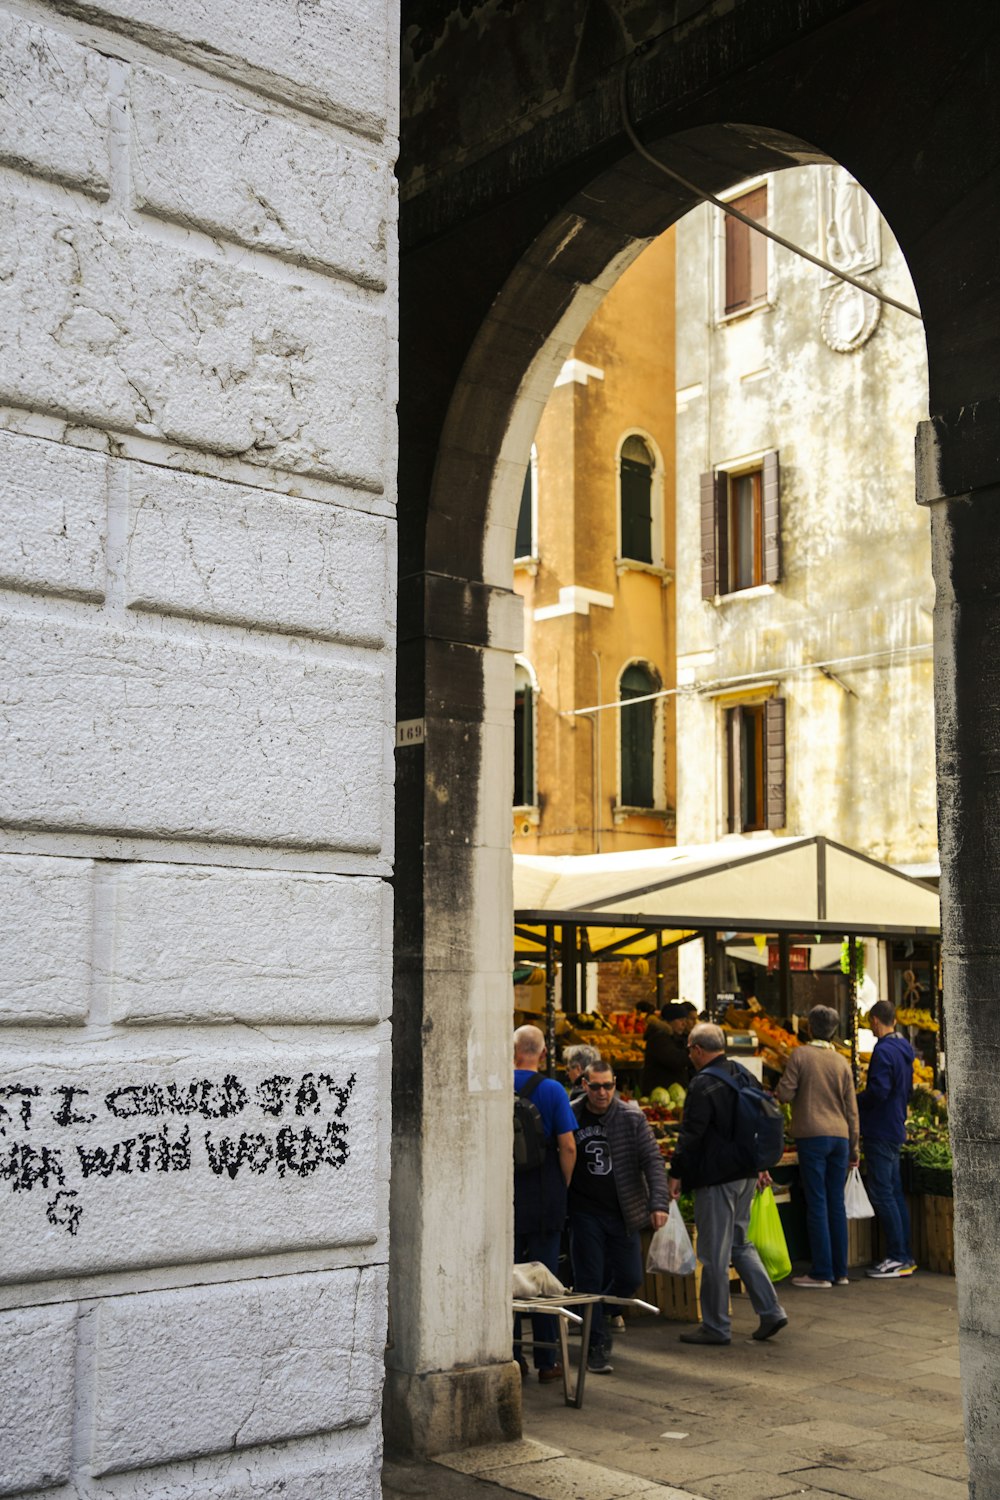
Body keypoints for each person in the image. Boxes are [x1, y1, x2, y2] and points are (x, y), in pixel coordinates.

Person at [668, 1023, 788, 1346]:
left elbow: (691, 1135)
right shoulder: (742, 1073)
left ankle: (716, 1326)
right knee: (739, 1243)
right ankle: (771, 1310)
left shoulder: (702, 1084)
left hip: (717, 1177)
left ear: (696, 1049)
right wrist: (760, 1165)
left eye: (690, 1049)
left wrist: (676, 1173)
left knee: (714, 1254)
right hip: (747, 1173)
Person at [568, 1059, 669, 1375]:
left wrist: (659, 1203)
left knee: (630, 1278)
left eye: (608, 1086)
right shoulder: (572, 1113)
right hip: (584, 1210)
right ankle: (596, 1345)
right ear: (585, 1084)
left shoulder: (630, 1117)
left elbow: (652, 1160)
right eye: (595, 1086)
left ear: (615, 1085)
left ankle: (596, 1312)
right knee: (589, 1278)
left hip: (623, 1210)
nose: (601, 1092)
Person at [775, 1005, 860, 1288]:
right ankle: (841, 1271)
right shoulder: (841, 1062)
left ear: (809, 1027)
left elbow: (784, 1093)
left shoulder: (800, 1055)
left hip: (812, 1136)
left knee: (817, 1202)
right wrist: (855, 1147)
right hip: (840, 1137)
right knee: (835, 1202)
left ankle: (821, 1272)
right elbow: (852, 1109)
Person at [513, 1025, 578, 1381]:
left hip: (507, 1195)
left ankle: (511, 1356)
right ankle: (547, 1360)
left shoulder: (498, 1081)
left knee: (507, 1275)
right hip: (544, 1195)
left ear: (513, 1049)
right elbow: (568, 1146)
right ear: (542, 1051)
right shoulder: (552, 1090)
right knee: (543, 1276)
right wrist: (563, 1185)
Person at [857, 999, 917, 1278]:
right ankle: (905, 1256)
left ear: (876, 1021)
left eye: (870, 1022)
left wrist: (856, 1101)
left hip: (880, 1128)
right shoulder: (905, 1049)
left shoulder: (883, 1051)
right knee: (893, 1193)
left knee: (883, 1194)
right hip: (895, 1126)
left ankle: (897, 1257)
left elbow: (879, 1091)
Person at [641, 1002, 692, 1096]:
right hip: (659, 1093)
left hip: (670, 1093)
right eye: (680, 1020)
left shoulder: (675, 1037)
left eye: (685, 1020)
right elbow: (675, 1059)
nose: (684, 1024)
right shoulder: (659, 1038)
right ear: (669, 1021)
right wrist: (693, 1051)